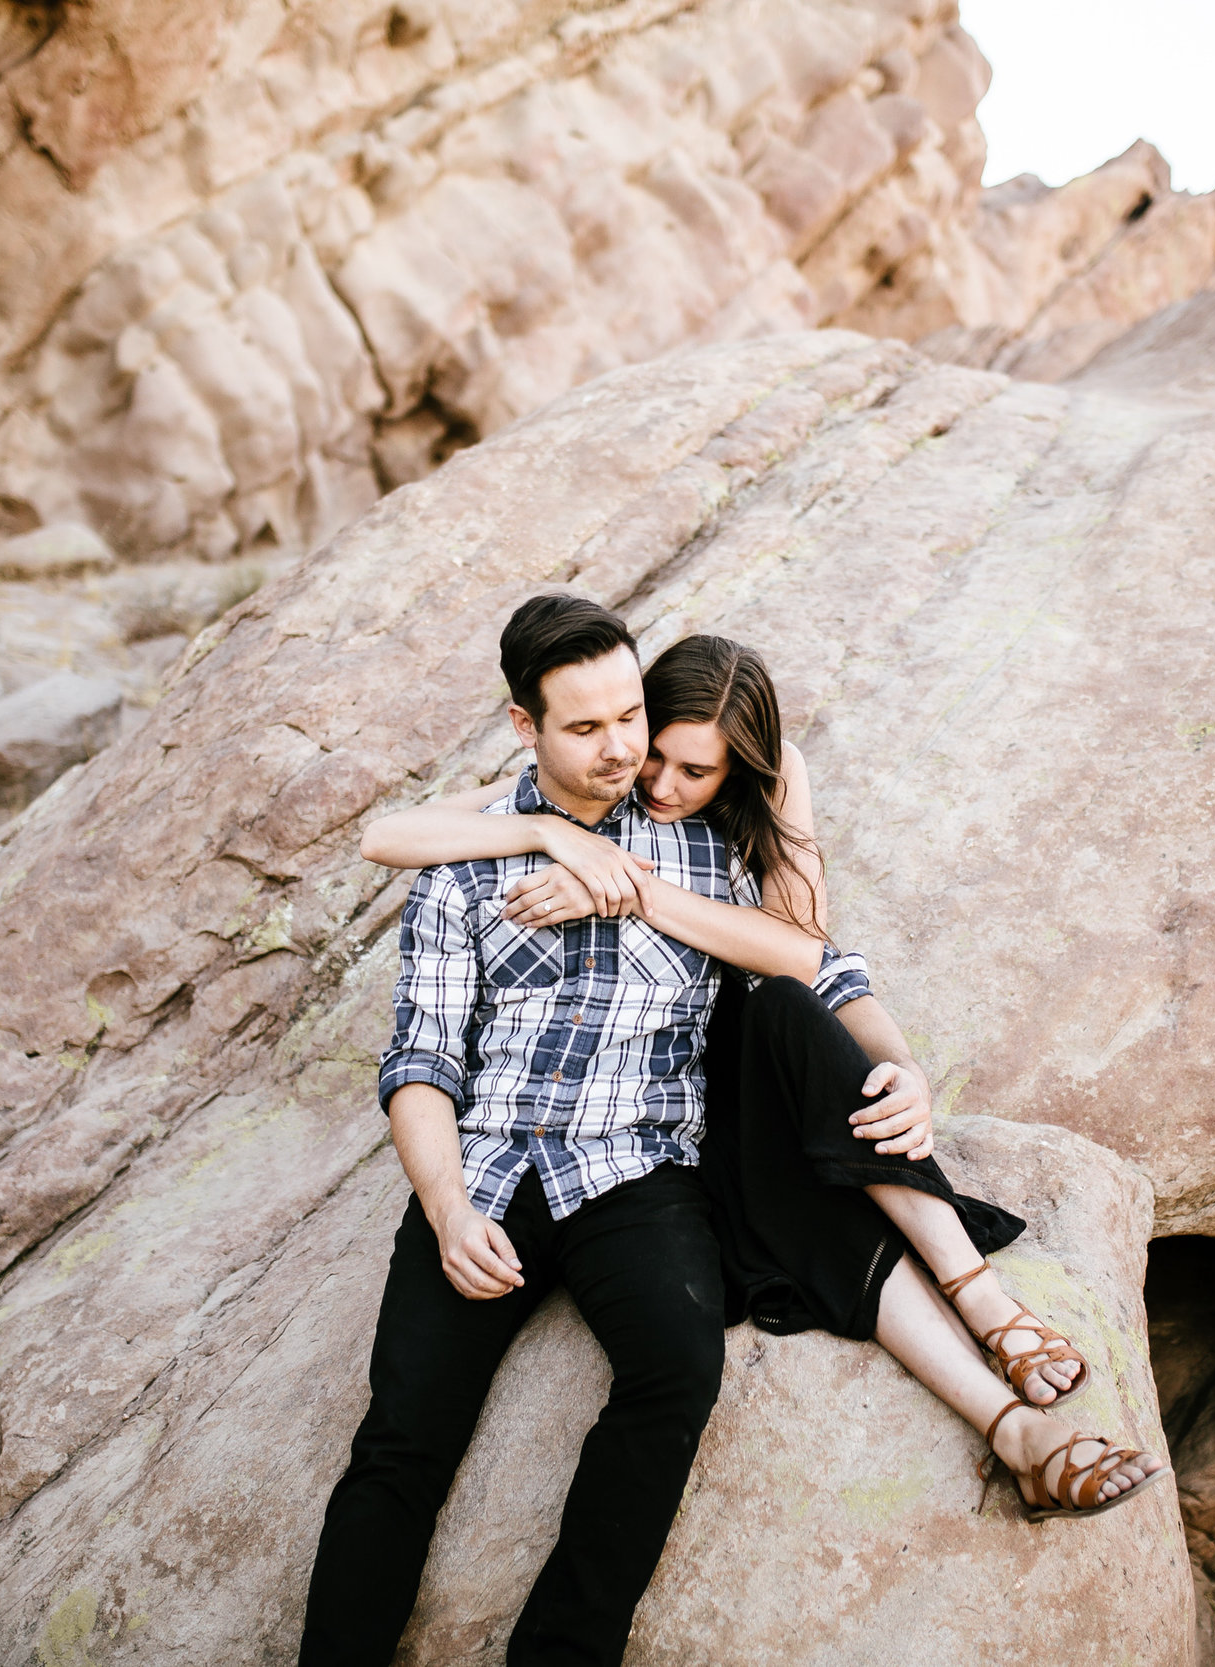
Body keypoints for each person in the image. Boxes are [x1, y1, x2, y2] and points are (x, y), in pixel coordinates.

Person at [358, 622, 1167, 1546]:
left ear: (736, 769)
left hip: (711, 1117)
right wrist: (555, 834)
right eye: (642, 746)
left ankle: (989, 1332)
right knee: (815, 1190)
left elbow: (820, 965)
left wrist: (902, 1067)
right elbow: (393, 837)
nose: (653, 781)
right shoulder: (594, 787)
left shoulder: (742, 817)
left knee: (787, 1021)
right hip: (621, 1141)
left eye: (691, 771)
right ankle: (1010, 1411)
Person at [303, 595, 864, 1667]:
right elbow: (420, 1057)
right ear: (525, 727)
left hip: (638, 1166)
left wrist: (643, 884)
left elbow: (801, 950)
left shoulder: (705, 832)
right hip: (491, 1163)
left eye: (630, 714)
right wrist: (446, 1203)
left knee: (676, 1366)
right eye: (587, 727)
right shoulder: (467, 854)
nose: (624, 751)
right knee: (403, 1435)